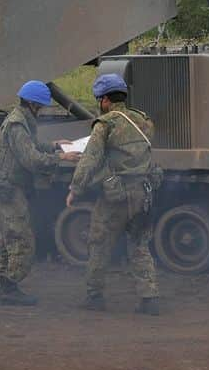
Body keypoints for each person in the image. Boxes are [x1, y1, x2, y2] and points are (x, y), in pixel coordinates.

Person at [66, 73, 162, 315]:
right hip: (142, 193)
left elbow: (90, 160)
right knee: (140, 245)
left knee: (98, 243)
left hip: (115, 197)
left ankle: (94, 296)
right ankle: (149, 298)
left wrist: (75, 189)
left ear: (106, 100)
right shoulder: (143, 121)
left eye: (100, 99)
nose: (100, 104)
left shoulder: (105, 124)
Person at [0, 80, 80, 306]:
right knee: (21, 239)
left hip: (10, 185)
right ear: (31, 103)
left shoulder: (22, 120)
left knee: (11, 238)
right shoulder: (18, 124)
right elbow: (31, 159)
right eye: (40, 105)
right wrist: (61, 158)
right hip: (7, 186)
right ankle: (9, 289)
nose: (42, 108)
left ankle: (7, 287)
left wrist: (55, 145)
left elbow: (32, 146)